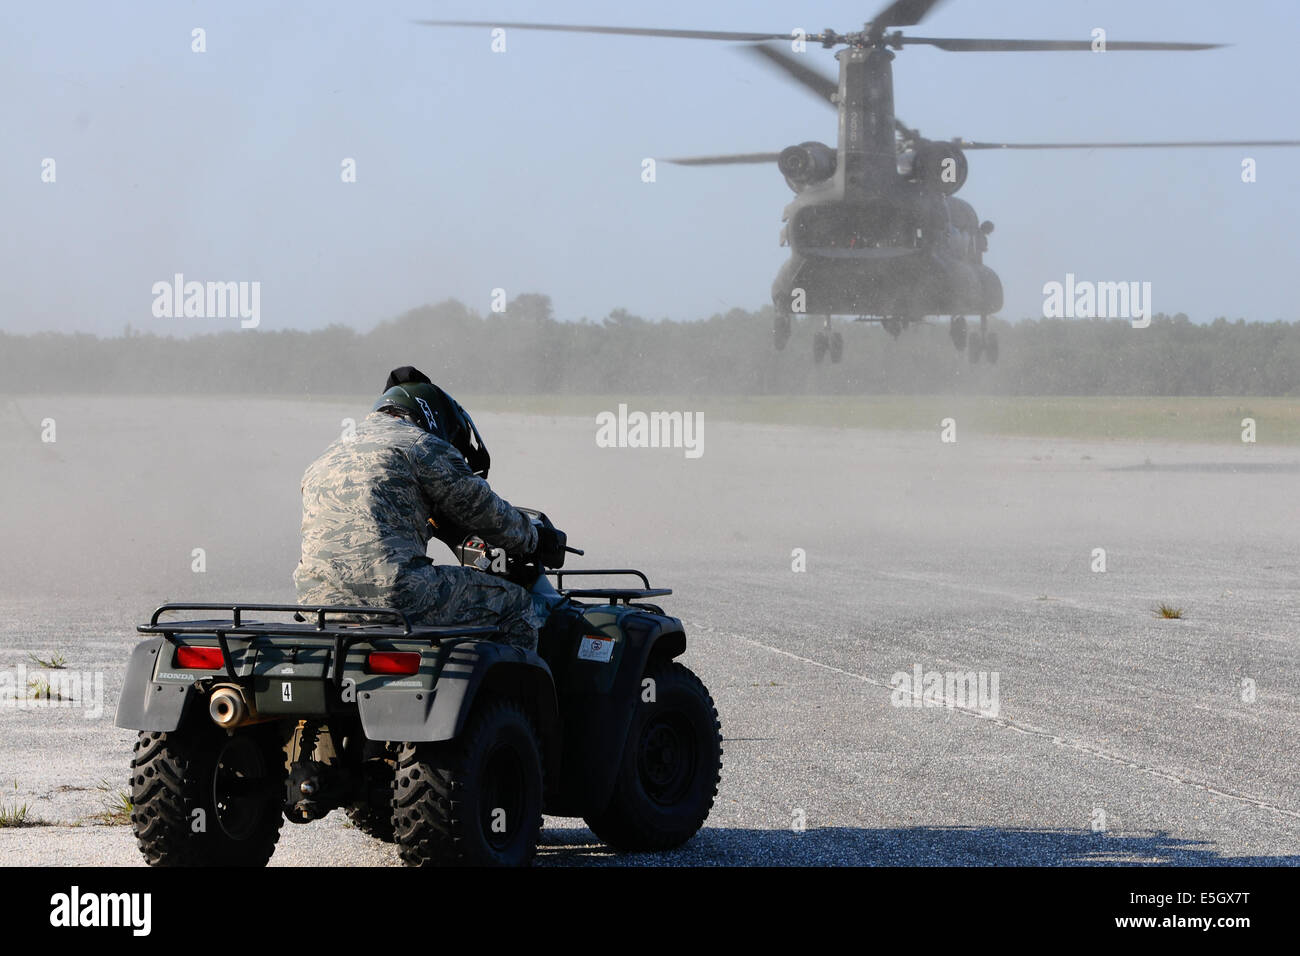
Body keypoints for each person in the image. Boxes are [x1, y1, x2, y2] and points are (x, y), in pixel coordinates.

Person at [293, 366, 559, 651]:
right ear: (430, 413)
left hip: (317, 601)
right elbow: (484, 511)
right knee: (515, 605)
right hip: (396, 594)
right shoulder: (419, 444)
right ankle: (512, 695)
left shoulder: (327, 456)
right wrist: (534, 538)